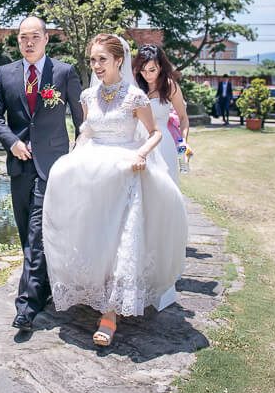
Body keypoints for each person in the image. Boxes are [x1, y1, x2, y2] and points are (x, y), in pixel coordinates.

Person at [43, 34, 188, 347]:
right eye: (93, 60)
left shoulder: (135, 98)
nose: (96, 65)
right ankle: (94, 289)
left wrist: (140, 155)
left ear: (118, 60)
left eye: (102, 59)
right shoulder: (86, 96)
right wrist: (74, 156)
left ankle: (110, 312)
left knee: (121, 238)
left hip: (124, 172)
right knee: (95, 236)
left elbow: (154, 134)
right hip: (94, 173)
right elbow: (87, 132)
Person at [0, 16, 84, 333]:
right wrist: (11, 142)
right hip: (19, 165)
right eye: (22, 37)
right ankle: (46, 289)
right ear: (17, 41)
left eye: (34, 36)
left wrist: (83, 157)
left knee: (37, 233)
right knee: (27, 231)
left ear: (46, 39)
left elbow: (82, 122)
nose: (28, 42)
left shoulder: (64, 73)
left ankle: (25, 308)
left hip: (53, 165)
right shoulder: (6, 73)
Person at [133, 44, 190, 178]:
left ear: (161, 66)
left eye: (152, 70)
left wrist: (183, 145)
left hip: (163, 144)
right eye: (143, 70)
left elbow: (183, 118)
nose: (147, 75)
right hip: (138, 143)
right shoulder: (135, 85)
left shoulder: (170, 86)